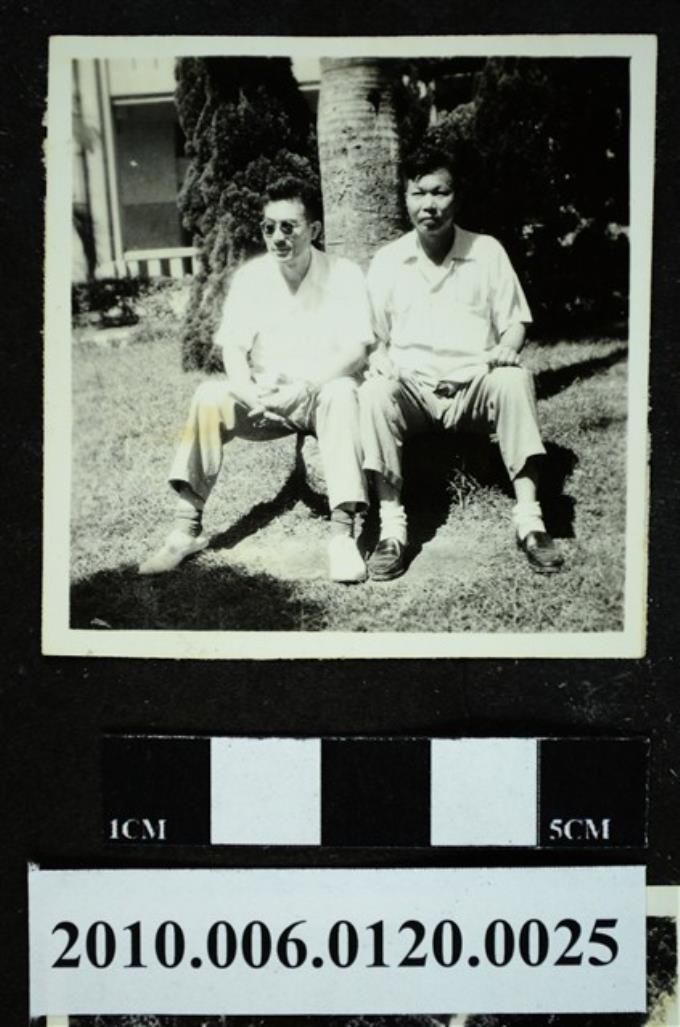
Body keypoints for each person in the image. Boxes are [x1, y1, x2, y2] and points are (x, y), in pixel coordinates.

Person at [139, 176, 372, 583]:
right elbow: (233, 350)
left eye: (289, 227)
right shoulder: (252, 277)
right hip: (265, 397)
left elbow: (357, 350)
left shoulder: (344, 274)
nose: (278, 237)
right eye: (269, 227)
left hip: (320, 393)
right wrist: (250, 395)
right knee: (209, 395)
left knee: (341, 392)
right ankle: (185, 530)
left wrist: (310, 384)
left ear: (314, 229)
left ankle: (342, 537)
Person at [359, 146, 564, 581]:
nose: (429, 205)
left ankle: (531, 522)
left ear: (457, 196)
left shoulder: (487, 251)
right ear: (405, 198)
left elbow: (515, 322)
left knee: (514, 379)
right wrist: (378, 358)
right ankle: (391, 530)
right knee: (374, 392)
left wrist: (508, 348)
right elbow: (372, 336)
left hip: (473, 386)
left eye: (440, 192)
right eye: (418, 193)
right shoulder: (388, 260)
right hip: (413, 390)